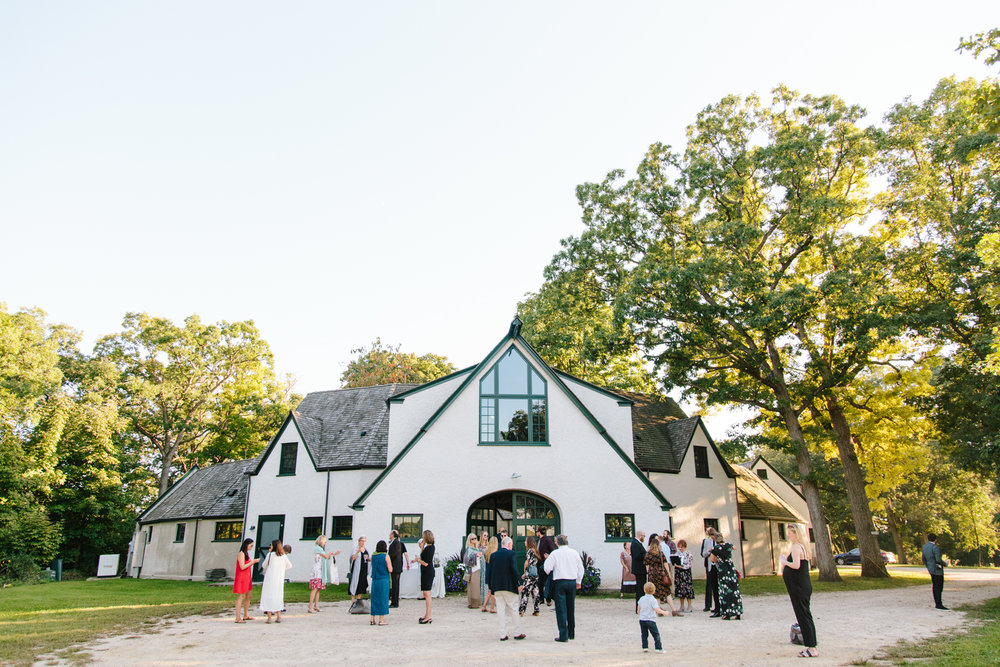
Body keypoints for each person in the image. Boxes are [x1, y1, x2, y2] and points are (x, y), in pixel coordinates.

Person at [782, 525, 817, 658]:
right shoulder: (801, 546)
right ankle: (811, 645)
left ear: (796, 534)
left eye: (790, 533)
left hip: (799, 587)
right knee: (805, 615)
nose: (789, 536)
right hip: (800, 586)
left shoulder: (797, 547)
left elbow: (796, 565)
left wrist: (784, 562)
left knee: (803, 616)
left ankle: (811, 648)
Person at [543, 534, 584, 643]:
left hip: (560, 582)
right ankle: (571, 633)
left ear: (557, 543)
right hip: (571, 581)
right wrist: (578, 581)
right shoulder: (574, 553)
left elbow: (547, 568)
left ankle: (563, 635)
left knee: (561, 609)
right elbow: (581, 568)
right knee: (571, 607)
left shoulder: (555, 553)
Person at [489, 536, 526, 641]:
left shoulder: (493, 555)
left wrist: (491, 588)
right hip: (509, 586)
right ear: (509, 544)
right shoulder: (511, 554)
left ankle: (502, 634)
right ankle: (517, 632)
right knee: (514, 609)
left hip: (497, 587)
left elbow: (491, 572)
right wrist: (519, 583)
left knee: (500, 610)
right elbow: (514, 570)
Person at [643, 538, 682, 616]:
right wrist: (669, 574)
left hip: (652, 574)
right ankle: (674, 610)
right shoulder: (660, 554)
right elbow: (665, 565)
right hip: (661, 574)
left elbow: (646, 565)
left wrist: (650, 572)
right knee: (667, 593)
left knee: (656, 593)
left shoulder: (648, 554)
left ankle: (658, 611)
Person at [710, 532, 743, 620]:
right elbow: (734, 547)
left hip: (722, 570)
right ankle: (737, 612)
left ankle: (727, 613)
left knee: (724, 590)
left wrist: (719, 559)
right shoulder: (728, 545)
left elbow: (712, 559)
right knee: (734, 589)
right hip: (730, 568)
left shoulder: (715, 548)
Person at [259, 539, 292, 623]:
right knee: (278, 595)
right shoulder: (283, 556)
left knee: (268, 595)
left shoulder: (270, 555)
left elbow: (264, 565)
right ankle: (279, 616)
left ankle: (269, 617)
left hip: (270, 578)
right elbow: (289, 565)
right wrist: (281, 569)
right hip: (279, 578)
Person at [308, 535, 340, 613]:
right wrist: (331, 553)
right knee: (315, 588)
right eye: (324, 542)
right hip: (316, 571)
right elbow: (325, 556)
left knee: (318, 589)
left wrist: (332, 554)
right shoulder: (317, 549)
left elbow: (326, 557)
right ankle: (310, 606)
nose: (325, 543)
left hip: (320, 570)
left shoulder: (320, 549)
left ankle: (316, 605)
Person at [637, 581, 669, 653]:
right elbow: (656, 609)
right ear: (654, 591)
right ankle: (658, 648)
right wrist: (664, 612)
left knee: (644, 634)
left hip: (642, 619)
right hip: (650, 619)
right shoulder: (653, 600)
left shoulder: (642, 598)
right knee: (656, 634)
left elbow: (639, 607)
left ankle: (645, 647)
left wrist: (639, 612)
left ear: (644, 590)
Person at [233, 538, 259, 623]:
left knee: (249, 596)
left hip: (247, 577)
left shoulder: (246, 553)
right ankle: (237, 618)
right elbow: (242, 566)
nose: (251, 547)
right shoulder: (241, 554)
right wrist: (253, 562)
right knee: (241, 596)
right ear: (246, 545)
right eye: (251, 545)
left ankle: (245, 615)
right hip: (242, 577)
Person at [922, 532, 948, 611]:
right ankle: (939, 604)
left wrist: (928, 566)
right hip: (937, 569)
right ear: (935, 540)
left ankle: (937, 603)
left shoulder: (925, 547)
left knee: (934, 586)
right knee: (939, 586)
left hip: (930, 568)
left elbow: (923, 559)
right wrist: (945, 564)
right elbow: (938, 560)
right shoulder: (935, 547)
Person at [414, 529, 435, 623]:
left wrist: (418, 560)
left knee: (427, 594)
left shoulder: (430, 548)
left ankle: (428, 616)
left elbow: (426, 563)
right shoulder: (429, 547)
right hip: (426, 572)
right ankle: (426, 615)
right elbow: (423, 556)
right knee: (426, 594)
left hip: (427, 571)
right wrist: (422, 547)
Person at [369, 539, 392, 626]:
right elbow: (390, 569)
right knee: (383, 599)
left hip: (375, 579)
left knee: (374, 598)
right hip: (383, 579)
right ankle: (381, 619)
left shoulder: (373, 556)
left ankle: (372, 618)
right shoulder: (386, 556)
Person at [519, 535, 541, 616]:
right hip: (535, 574)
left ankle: (522, 610)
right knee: (535, 592)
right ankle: (536, 610)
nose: (524, 542)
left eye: (526, 541)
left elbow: (528, 563)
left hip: (529, 574)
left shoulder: (529, 552)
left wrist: (525, 573)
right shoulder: (535, 551)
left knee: (525, 592)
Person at [387, 529, 409, 608]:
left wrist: (387, 558)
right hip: (396, 566)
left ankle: (395, 602)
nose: (389, 535)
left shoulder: (396, 542)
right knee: (395, 584)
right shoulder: (395, 542)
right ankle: (394, 601)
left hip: (395, 566)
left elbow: (394, 554)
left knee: (395, 585)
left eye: (390, 534)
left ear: (393, 535)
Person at [701, 527, 720, 614]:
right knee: (710, 585)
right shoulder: (706, 541)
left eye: (713, 535)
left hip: (718, 565)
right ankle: (708, 605)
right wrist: (710, 551)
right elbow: (703, 554)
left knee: (718, 586)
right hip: (710, 565)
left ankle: (719, 606)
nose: (712, 537)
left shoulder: (720, 540)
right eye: (710, 535)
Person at [674, 539, 695, 612]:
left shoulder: (688, 554)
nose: (680, 549)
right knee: (680, 589)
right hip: (679, 574)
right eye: (679, 547)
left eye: (681, 547)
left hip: (686, 573)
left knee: (687, 589)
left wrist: (682, 566)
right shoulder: (677, 553)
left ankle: (689, 606)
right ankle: (682, 605)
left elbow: (689, 565)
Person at [537, 528, 557, 605]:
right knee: (540, 582)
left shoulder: (547, 540)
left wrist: (549, 556)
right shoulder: (540, 540)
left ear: (539, 532)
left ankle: (548, 599)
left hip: (546, 563)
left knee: (547, 581)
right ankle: (541, 599)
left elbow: (552, 550)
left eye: (537, 532)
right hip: (540, 563)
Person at [349, 536, 370, 604]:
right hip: (357, 568)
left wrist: (369, 559)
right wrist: (358, 551)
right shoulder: (355, 549)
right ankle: (352, 599)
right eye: (362, 541)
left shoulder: (366, 549)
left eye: (364, 541)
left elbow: (367, 558)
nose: (363, 542)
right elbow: (353, 558)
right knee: (355, 582)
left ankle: (358, 599)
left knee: (361, 583)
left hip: (363, 568)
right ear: (359, 541)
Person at [630, 530, 648, 613]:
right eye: (644, 536)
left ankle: (641, 607)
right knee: (640, 589)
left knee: (641, 588)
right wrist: (646, 554)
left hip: (641, 569)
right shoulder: (635, 543)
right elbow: (637, 556)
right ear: (640, 535)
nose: (644, 537)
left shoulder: (637, 543)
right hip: (639, 569)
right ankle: (639, 607)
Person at [463, 534, 482, 608]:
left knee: (476, 586)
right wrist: (476, 555)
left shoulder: (476, 548)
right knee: (472, 587)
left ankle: (475, 603)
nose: (474, 540)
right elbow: (466, 559)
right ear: (469, 540)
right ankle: (472, 603)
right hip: (472, 570)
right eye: (472, 539)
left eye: (475, 538)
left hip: (477, 568)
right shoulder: (469, 549)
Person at [481, 536, 498, 613]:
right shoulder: (495, 553)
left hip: (488, 572)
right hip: (494, 573)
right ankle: (491, 607)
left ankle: (484, 606)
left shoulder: (486, 552)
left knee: (490, 591)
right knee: (494, 591)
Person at [479, 531, 490, 610]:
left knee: (486, 582)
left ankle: (486, 599)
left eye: (487, 535)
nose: (486, 537)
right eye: (485, 535)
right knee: (480, 581)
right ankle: (480, 598)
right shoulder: (479, 545)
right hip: (480, 564)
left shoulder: (488, 545)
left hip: (486, 563)